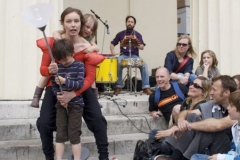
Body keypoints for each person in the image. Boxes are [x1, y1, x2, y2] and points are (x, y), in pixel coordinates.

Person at [36, 7, 109, 160]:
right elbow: (43, 70)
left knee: (98, 119)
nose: (73, 25)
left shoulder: (87, 48)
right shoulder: (55, 42)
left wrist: (73, 94)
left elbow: (89, 79)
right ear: (63, 24)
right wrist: (50, 70)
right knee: (44, 123)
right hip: (55, 86)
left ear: (81, 24)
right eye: (69, 21)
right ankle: (50, 157)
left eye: (76, 21)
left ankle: (104, 156)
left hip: (79, 87)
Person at [30, 13, 99, 108]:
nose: (88, 30)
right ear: (82, 24)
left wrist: (92, 48)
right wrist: (58, 40)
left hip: (76, 74)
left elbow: (96, 47)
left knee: (91, 75)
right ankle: (37, 96)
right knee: (50, 72)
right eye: (87, 27)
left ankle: (95, 98)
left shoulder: (88, 41)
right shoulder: (66, 33)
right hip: (60, 70)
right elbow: (56, 32)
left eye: (92, 29)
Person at [164, 75, 237, 160]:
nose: (211, 93)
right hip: (208, 146)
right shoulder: (214, 103)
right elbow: (187, 113)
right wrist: (181, 121)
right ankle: (176, 155)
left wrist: (189, 126)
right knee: (192, 117)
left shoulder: (237, 108)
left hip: (228, 150)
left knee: (209, 131)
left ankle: (181, 157)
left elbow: (218, 125)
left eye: (214, 90)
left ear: (226, 93)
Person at [51, 39, 85, 160]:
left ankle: (77, 158)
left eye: (65, 59)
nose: (63, 62)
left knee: (74, 134)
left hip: (76, 105)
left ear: (72, 52)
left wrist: (65, 81)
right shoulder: (57, 68)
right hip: (61, 105)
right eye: (60, 60)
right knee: (60, 134)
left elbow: (80, 85)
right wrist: (59, 96)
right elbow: (53, 87)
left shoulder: (79, 65)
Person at [150, 76, 211, 141]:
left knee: (162, 142)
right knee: (153, 133)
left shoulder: (203, 105)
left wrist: (171, 131)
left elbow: (191, 128)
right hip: (179, 132)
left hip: (190, 138)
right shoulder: (186, 102)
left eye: (196, 85)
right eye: (191, 83)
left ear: (204, 92)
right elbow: (178, 123)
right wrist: (171, 130)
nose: (191, 86)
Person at [110, 15, 152, 95]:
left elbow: (142, 47)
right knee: (117, 63)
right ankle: (118, 86)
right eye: (128, 21)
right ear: (126, 23)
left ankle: (146, 87)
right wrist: (112, 51)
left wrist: (136, 43)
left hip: (134, 56)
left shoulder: (138, 35)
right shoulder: (120, 34)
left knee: (144, 64)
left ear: (134, 24)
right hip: (123, 55)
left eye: (132, 22)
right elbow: (112, 43)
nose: (130, 23)